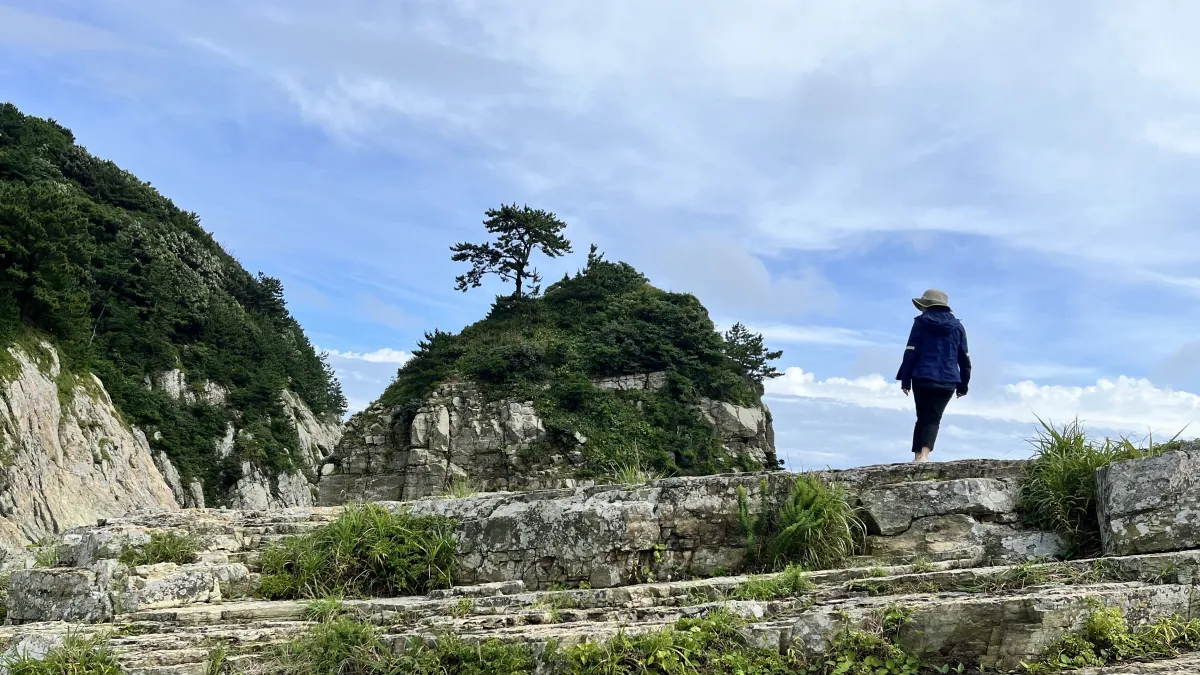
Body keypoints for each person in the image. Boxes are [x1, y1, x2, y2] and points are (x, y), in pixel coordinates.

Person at [896, 289, 972, 464]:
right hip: (948, 379)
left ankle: (917, 458)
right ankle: (925, 455)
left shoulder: (920, 323)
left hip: (922, 376)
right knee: (934, 418)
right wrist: (963, 385)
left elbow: (910, 352)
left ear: (927, 306)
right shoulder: (958, 327)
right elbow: (964, 357)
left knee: (922, 416)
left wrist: (905, 379)